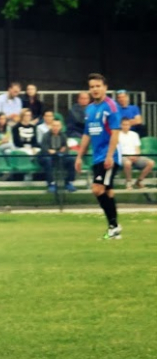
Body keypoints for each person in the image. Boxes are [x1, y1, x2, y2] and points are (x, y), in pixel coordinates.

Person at [74, 73, 122, 240]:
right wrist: (79, 156)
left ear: (105, 88)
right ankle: (114, 228)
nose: (94, 89)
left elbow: (116, 133)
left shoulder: (111, 106)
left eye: (98, 86)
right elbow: (87, 135)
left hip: (110, 156)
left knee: (97, 189)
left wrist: (110, 156)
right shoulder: (90, 109)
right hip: (97, 157)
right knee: (107, 191)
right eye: (92, 86)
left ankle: (114, 226)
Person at [38, 119, 76, 194]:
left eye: (57, 126)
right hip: (47, 157)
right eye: (54, 126)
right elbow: (45, 149)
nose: (55, 128)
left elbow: (65, 149)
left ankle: (68, 182)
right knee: (48, 160)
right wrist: (57, 151)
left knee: (71, 159)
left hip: (59, 157)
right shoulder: (46, 136)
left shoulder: (63, 136)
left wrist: (56, 152)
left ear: (61, 127)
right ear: (51, 126)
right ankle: (51, 184)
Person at [119, 117, 154, 190]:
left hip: (135, 156)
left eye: (127, 124)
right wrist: (128, 157)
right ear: (121, 125)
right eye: (124, 124)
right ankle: (129, 182)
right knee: (127, 163)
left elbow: (137, 148)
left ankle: (139, 181)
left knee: (151, 163)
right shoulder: (117, 135)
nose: (126, 126)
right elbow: (118, 150)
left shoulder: (134, 135)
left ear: (130, 125)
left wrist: (136, 156)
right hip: (123, 157)